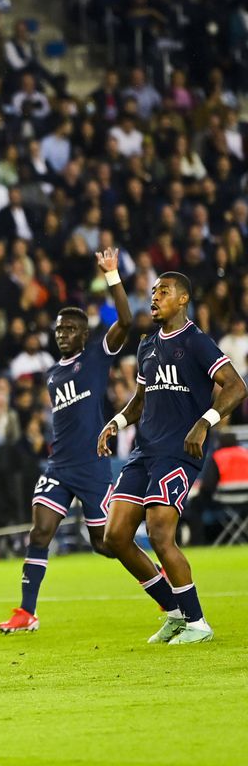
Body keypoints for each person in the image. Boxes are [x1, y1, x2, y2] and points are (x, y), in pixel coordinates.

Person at [97, 272, 247, 645]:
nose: (154, 297)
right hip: (144, 451)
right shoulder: (147, 345)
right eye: (153, 292)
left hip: (178, 453)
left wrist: (205, 422)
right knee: (114, 537)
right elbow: (141, 400)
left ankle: (197, 623)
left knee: (160, 534)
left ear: (183, 299)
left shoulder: (197, 342)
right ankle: (176, 612)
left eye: (163, 291)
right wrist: (116, 422)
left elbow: (236, 386)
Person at [0, 249, 132, 634]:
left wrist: (112, 275)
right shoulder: (53, 374)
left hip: (91, 466)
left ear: (84, 335)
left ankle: (156, 576)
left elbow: (125, 320)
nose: (62, 334)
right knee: (39, 532)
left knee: (105, 544)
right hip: (59, 466)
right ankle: (27, 613)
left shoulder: (96, 357)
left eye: (70, 329)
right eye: (58, 329)